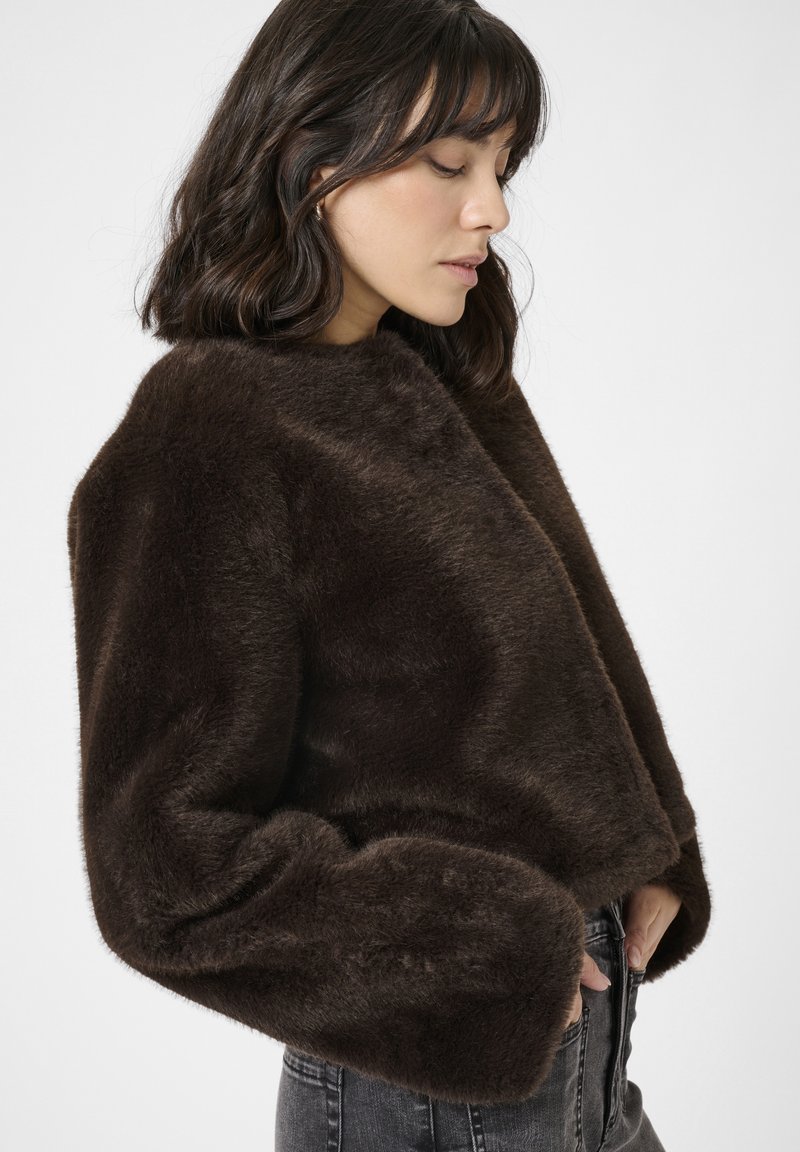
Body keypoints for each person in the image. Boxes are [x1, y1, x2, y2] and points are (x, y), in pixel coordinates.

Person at [66, 1, 712, 1149]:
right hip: (435, 1079)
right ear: (310, 160)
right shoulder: (210, 425)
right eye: (449, 163)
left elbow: (558, 644)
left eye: (503, 165)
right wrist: (485, 949)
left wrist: (648, 841)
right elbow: (164, 868)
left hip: (573, 1053)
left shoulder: (434, 370)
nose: (492, 209)